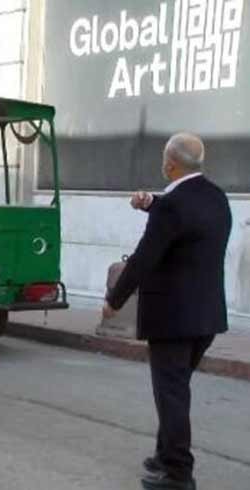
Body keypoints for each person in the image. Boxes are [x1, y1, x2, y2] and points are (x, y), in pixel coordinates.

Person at [103, 133, 232, 490]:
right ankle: (164, 454)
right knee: (176, 390)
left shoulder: (174, 207)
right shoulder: (216, 197)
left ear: (170, 163)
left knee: (171, 394)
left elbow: (145, 257)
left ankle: (178, 473)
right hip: (206, 317)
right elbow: (187, 218)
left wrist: (114, 299)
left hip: (173, 318)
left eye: (163, 158)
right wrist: (151, 204)